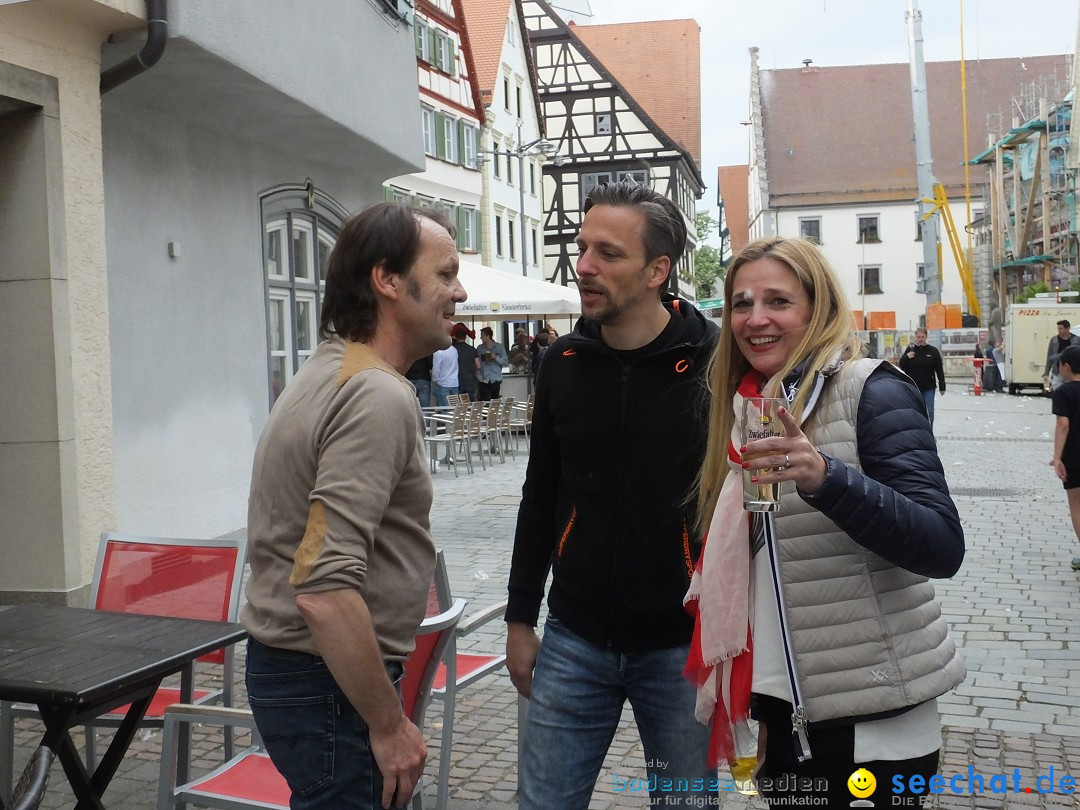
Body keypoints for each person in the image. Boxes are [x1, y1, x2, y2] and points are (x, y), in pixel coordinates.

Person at [689, 235, 964, 808]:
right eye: (741, 303)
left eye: (778, 302)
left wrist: (827, 479)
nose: (755, 319)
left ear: (818, 309)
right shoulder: (747, 410)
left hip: (874, 723)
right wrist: (766, 709)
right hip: (787, 716)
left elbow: (941, 547)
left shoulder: (872, 390)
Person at [241, 203, 467, 809]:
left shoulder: (328, 370)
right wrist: (389, 724)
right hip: (326, 683)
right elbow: (323, 586)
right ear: (387, 280)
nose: (459, 291)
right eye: (445, 274)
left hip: (303, 676)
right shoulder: (375, 393)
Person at [506, 180, 719, 809]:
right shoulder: (564, 362)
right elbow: (539, 496)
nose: (584, 267)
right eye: (581, 248)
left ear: (659, 270)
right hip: (573, 640)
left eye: (608, 253)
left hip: (682, 647)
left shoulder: (714, 363)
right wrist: (521, 618)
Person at [1050, 345, 1080, 571]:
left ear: (1067, 367)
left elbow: (1063, 424)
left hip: (1074, 455)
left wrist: (1057, 457)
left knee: (1077, 505)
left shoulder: (1064, 393)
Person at [898, 326, 946, 426]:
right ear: (915, 337)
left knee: (930, 411)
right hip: (913, 387)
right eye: (918, 337)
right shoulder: (911, 349)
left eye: (922, 337)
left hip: (929, 386)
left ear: (926, 337)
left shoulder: (933, 351)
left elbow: (939, 369)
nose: (920, 339)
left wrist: (942, 386)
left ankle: (929, 432)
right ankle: (918, 432)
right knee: (915, 411)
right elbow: (901, 364)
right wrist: (907, 357)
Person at [1044, 320, 1080, 391]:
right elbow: (1050, 356)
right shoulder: (1054, 340)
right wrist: (1046, 373)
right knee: (1058, 392)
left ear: (1067, 329)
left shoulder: (1076, 340)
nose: (1059, 330)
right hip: (1057, 373)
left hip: (1071, 372)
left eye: (1061, 328)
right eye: (1058, 328)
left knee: (1070, 393)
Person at [476, 326, 508, 400]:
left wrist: (495, 357)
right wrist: (480, 379)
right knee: (484, 403)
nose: (481, 338)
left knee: (495, 403)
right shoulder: (480, 348)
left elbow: (505, 362)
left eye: (482, 336)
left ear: (488, 336)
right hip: (484, 380)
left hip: (496, 379)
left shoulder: (499, 347)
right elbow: (477, 364)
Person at [451, 322, 480, 401]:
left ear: (456, 337)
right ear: (466, 337)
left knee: (460, 406)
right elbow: (478, 365)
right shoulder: (472, 349)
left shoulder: (453, 349)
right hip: (470, 380)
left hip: (457, 380)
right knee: (471, 405)